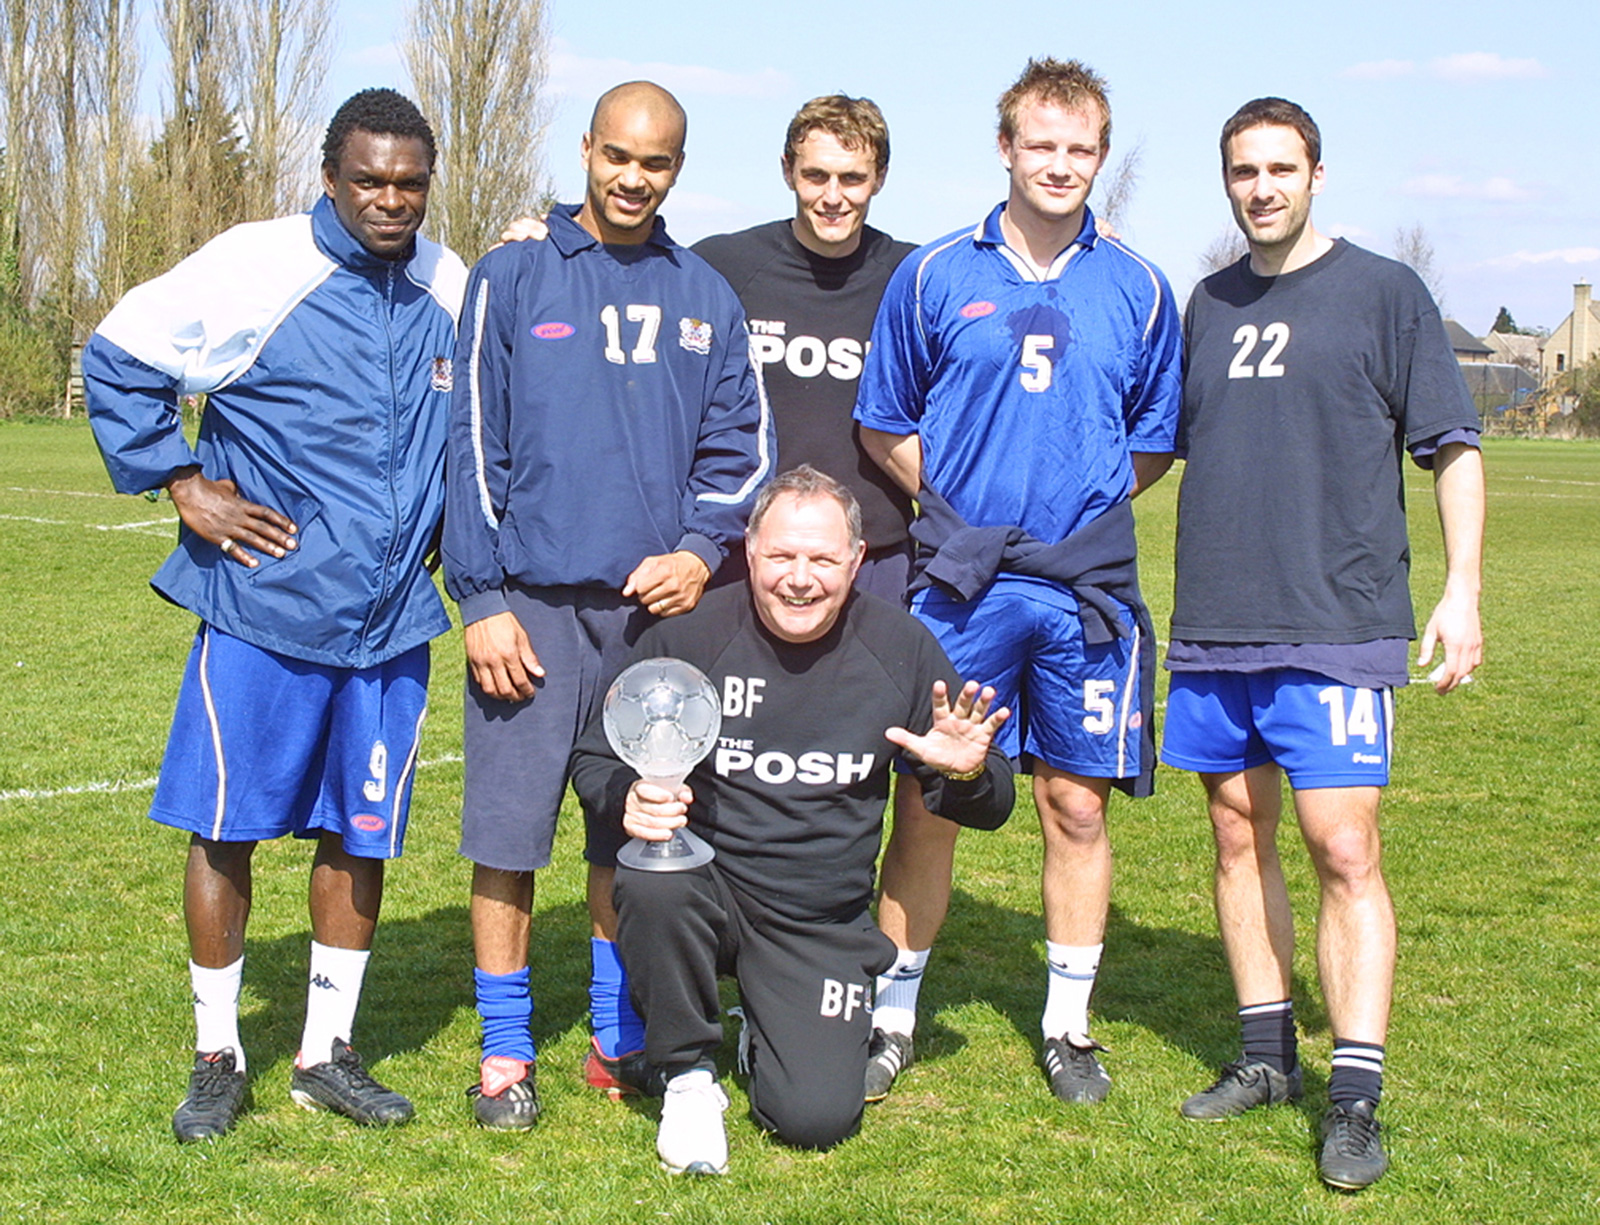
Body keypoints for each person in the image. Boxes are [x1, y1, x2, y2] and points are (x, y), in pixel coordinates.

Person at [82, 88, 466, 1141]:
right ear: (331, 178)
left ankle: (324, 1055)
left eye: (409, 184)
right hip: (265, 609)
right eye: (370, 181)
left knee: (361, 832)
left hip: (390, 624)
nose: (390, 201)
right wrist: (180, 480)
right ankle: (217, 1054)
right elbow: (119, 352)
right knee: (226, 826)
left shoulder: (449, 281)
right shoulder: (256, 264)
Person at [1160, 97, 1484, 1191]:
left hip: (1338, 625)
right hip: (1214, 625)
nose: (1261, 188)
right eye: (1243, 171)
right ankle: (1264, 1058)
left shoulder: (1386, 293)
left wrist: (1464, 590)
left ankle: (1353, 1095)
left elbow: (1453, 447)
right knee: (1236, 839)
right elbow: (1153, 451)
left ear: (1317, 173)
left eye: (1280, 168)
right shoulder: (1203, 303)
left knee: (1343, 847)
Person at [441, 80, 772, 1129]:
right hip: (528, 610)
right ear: (586, 150)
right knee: (507, 833)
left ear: (678, 167)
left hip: (648, 624)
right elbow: (472, 449)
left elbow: (740, 448)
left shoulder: (705, 295)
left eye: (657, 161)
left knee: (623, 828)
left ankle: (611, 1030)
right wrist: (483, 594)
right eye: (618, 155)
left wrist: (697, 547)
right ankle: (503, 1050)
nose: (634, 177)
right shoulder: (511, 273)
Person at [851, 57, 1181, 1105]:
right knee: (932, 800)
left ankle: (1068, 1025)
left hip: (1080, 591)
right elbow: (882, 419)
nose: (1059, 166)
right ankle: (891, 1013)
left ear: (1099, 157)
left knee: (1075, 806)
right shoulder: (939, 272)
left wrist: (1068, 520)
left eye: (1079, 149)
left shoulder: (1138, 285)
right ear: (1005, 149)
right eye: (1040, 145)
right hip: (962, 587)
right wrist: (957, 512)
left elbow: (1152, 442)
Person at [570, 466, 1015, 1174]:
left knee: (814, 1118)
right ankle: (686, 1074)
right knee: (654, 874)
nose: (799, 578)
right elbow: (594, 756)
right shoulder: (691, 635)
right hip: (705, 890)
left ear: (856, 561)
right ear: (749, 551)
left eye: (821, 559)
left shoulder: (901, 650)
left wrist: (962, 770)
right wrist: (629, 794)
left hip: (817, 920)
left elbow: (993, 802)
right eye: (781, 556)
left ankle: (767, 1028)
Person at [692, 96, 916, 601]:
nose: (833, 196)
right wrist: (550, 235)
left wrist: (1076, 241)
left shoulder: (915, 277)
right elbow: (625, 272)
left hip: (874, 558)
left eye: (852, 179)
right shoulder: (721, 266)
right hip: (746, 554)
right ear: (787, 171)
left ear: (879, 177)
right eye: (816, 176)